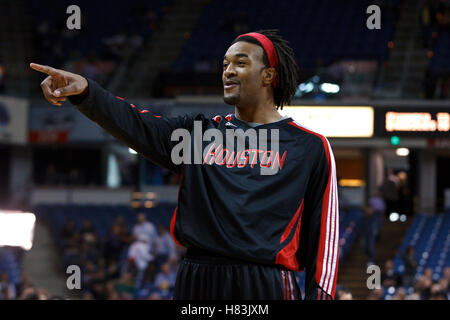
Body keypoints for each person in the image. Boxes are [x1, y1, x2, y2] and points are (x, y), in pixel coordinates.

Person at [30, 29, 339, 300]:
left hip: (264, 282)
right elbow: (137, 125)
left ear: (269, 75)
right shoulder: (198, 134)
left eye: (240, 63)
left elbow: (324, 241)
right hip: (197, 278)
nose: (228, 71)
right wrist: (86, 91)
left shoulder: (309, 146)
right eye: (225, 64)